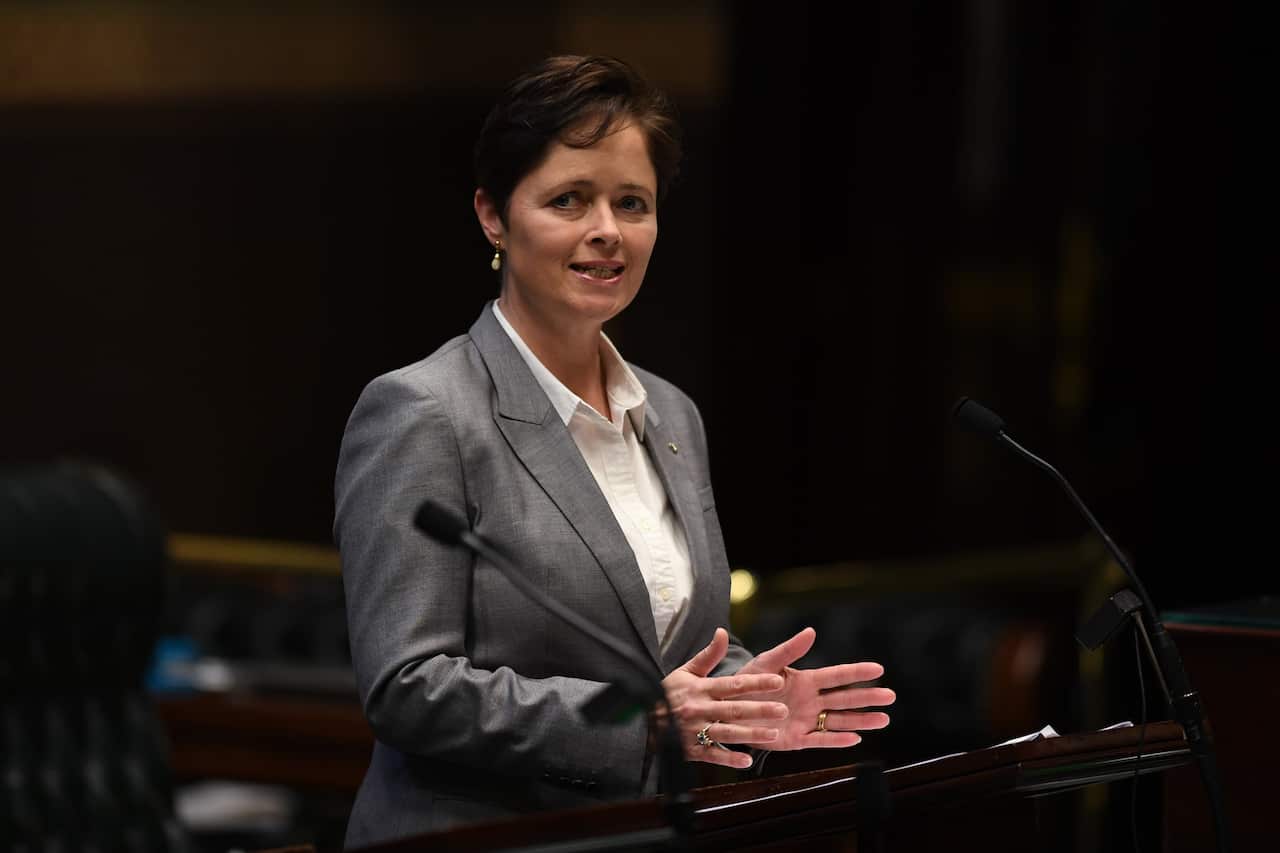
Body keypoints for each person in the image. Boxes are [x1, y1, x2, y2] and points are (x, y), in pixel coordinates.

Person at [333, 54, 895, 848]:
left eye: (632, 202)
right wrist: (640, 720)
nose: (607, 229)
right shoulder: (424, 410)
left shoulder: (670, 412)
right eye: (569, 199)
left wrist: (748, 695)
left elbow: (667, 645)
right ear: (494, 216)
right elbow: (407, 687)